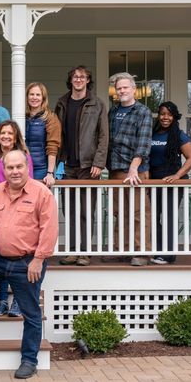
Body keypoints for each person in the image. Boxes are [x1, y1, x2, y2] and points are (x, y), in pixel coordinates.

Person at [0, 150, 58, 380]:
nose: (15, 171)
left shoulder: (41, 193)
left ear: (27, 167)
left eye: (19, 166)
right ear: (4, 169)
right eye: (10, 168)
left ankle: (29, 360)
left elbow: (49, 229)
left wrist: (39, 259)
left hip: (27, 262)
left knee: (31, 313)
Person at [54, 66, 108, 266]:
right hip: (67, 165)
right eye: (75, 77)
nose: (78, 79)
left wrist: (99, 162)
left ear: (88, 80)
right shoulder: (62, 103)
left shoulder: (97, 104)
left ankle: (84, 253)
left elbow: (103, 135)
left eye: (82, 77)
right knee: (69, 210)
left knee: (86, 210)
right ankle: (72, 250)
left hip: (88, 166)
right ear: (71, 80)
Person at [0, 120, 34, 318]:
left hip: (18, 208)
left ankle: (17, 301)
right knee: (0, 256)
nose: (6, 136)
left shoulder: (24, 157)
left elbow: (28, 182)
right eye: (2, 133)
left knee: (16, 257)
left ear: (16, 137)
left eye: (10, 133)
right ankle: (2, 300)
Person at [107, 72, 152, 267]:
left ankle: (141, 252)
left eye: (125, 87)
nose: (122, 91)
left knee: (138, 211)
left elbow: (143, 143)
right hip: (115, 168)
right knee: (119, 211)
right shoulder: (113, 112)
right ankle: (121, 250)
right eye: (119, 88)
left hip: (135, 169)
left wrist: (134, 168)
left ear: (134, 89)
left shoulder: (142, 112)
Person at [150, 101, 191, 265]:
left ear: (174, 116)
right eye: (162, 114)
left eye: (169, 114)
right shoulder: (152, 133)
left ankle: (168, 254)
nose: (165, 117)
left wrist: (177, 175)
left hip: (171, 182)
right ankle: (159, 251)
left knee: (168, 217)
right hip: (153, 181)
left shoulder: (179, 135)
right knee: (153, 217)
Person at [24, 83, 61, 186]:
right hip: (22, 168)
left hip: (40, 169)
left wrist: (50, 173)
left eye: (38, 95)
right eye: (31, 94)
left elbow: (52, 147)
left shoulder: (50, 118)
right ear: (27, 97)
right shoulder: (21, 117)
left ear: (43, 98)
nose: (34, 97)